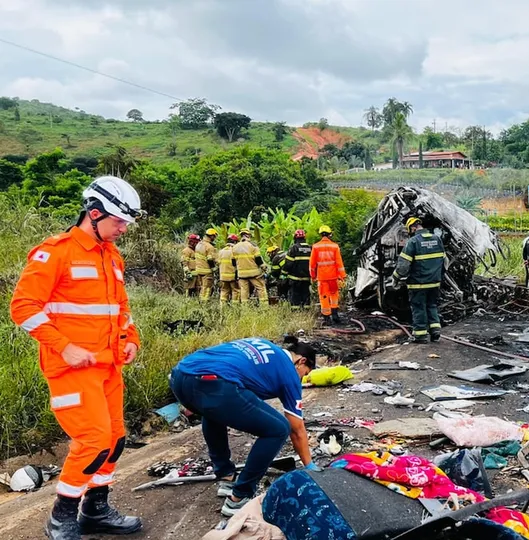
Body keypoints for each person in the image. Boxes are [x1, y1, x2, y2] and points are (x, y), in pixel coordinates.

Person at [10, 175, 144, 539]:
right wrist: (64, 345)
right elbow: (22, 307)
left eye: (126, 223)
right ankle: (61, 516)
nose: (123, 230)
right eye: (118, 222)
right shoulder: (56, 251)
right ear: (95, 214)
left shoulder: (111, 256)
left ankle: (96, 510)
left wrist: (131, 338)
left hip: (108, 365)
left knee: (115, 438)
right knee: (94, 440)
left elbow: (119, 307)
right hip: (71, 368)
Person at [168, 336, 319, 517]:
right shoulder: (289, 372)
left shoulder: (263, 343)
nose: (302, 378)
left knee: (213, 411)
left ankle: (226, 477)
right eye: (305, 372)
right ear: (301, 361)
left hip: (180, 376)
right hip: (214, 383)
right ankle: (239, 497)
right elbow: (297, 429)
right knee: (278, 429)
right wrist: (309, 465)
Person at [392, 217, 444, 344]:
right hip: (435, 282)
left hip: (418, 283)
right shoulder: (437, 239)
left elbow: (403, 266)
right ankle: (435, 331)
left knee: (419, 307)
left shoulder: (413, 242)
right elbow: (444, 261)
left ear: (413, 227)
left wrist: (396, 277)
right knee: (431, 305)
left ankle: (420, 335)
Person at [310, 225, 347, 325]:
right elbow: (339, 262)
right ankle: (335, 315)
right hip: (333, 276)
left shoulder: (316, 247)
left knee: (324, 296)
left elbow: (312, 264)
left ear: (321, 234)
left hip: (322, 277)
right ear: (330, 234)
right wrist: (342, 275)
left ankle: (327, 318)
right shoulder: (335, 246)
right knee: (334, 295)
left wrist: (313, 276)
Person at [234, 230, 268, 305]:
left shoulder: (235, 247)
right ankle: (264, 307)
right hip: (254, 273)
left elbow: (233, 262)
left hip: (241, 273)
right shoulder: (253, 245)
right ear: (248, 235)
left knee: (244, 291)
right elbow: (258, 258)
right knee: (261, 288)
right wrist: (263, 267)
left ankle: (245, 308)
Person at [282, 229, 313, 308]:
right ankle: (306, 310)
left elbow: (288, 263)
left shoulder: (294, 248)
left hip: (295, 278)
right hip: (307, 277)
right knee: (306, 294)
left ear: (295, 238)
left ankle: (296, 312)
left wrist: (283, 274)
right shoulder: (310, 248)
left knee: (295, 295)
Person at [194, 228, 219, 301]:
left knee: (201, 287)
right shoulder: (209, 247)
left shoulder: (199, 244)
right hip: (206, 271)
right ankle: (205, 302)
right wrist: (214, 268)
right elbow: (210, 259)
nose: (214, 238)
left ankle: (200, 300)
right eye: (214, 236)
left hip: (198, 269)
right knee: (207, 287)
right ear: (211, 236)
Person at [218, 234, 240, 305]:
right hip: (232, 275)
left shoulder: (221, 251)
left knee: (224, 291)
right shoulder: (235, 250)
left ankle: (222, 306)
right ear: (235, 242)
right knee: (235, 291)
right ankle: (235, 307)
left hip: (223, 276)